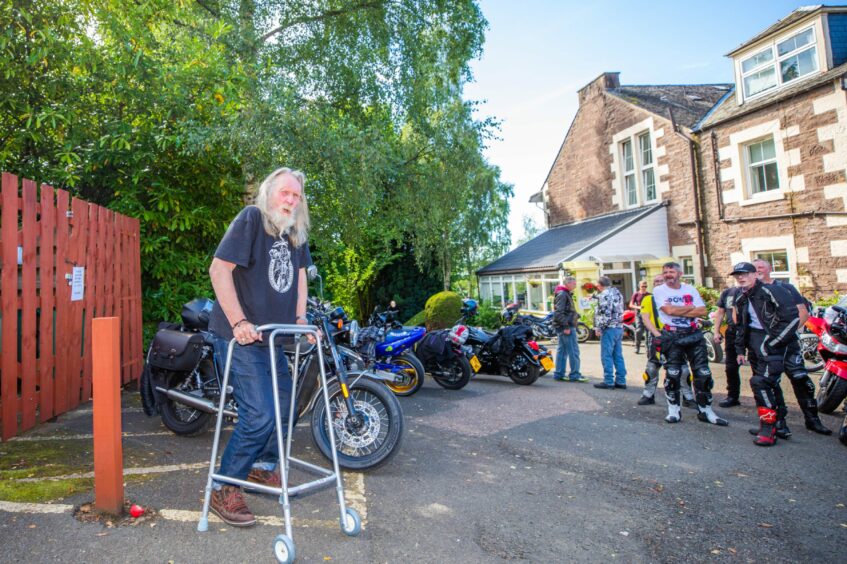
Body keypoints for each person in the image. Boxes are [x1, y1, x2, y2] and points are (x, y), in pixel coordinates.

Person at [206, 167, 313, 526]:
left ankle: (263, 468)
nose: (291, 200)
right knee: (260, 415)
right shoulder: (252, 219)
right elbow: (219, 269)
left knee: (285, 408)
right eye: (285, 193)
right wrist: (239, 322)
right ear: (268, 193)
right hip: (241, 336)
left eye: (296, 196)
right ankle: (223, 487)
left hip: (273, 338)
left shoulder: (295, 234)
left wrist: (300, 320)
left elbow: (300, 279)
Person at [750, 259, 831, 436]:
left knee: (801, 379)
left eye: (761, 267)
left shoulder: (785, 288)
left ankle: (812, 420)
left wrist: (784, 335)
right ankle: (776, 423)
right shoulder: (749, 291)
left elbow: (803, 313)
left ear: (769, 269)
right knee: (768, 384)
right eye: (754, 268)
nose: (757, 270)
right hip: (764, 348)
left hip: (788, 344)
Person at [731, 261, 809, 446]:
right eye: (737, 275)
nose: (741, 277)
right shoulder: (741, 297)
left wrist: (773, 342)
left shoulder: (772, 290)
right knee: (770, 385)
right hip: (755, 345)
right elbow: (741, 326)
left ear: (755, 275)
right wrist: (740, 349)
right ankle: (777, 425)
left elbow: (792, 319)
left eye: (745, 274)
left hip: (774, 344)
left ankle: (768, 429)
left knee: (761, 383)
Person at [651, 262, 727, 426]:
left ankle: (706, 411)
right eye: (665, 272)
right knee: (673, 374)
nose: (668, 274)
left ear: (680, 273)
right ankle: (674, 411)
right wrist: (689, 308)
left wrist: (679, 309)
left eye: (671, 271)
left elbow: (702, 311)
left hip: (693, 334)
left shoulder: (690, 289)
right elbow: (668, 311)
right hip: (671, 334)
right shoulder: (659, 290)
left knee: (703, 373)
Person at [637, 274, 696, 407]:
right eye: (655, 281)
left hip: (676, 335)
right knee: (652, 366)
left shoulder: (676, 297)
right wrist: (657, 334)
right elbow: (645, 319)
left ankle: (688, 397)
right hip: (657, 334)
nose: (658, 283)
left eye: (660, 281)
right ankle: (648, 394)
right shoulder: (648, 299)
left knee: (683, 368)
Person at [593, 276, 627, 389]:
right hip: (618, 327)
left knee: (606, 355)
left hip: (609, 328)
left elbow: (605, 314)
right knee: (618, 355)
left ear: (600, 285)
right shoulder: (617, 293)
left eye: (597, 285)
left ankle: (608, 381)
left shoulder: (604, 295)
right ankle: (621, 381)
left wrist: (599, 328)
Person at [551, 277, 587, 382]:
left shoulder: (564, 293)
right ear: (568, 284)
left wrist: (576, 315)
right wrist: (566, 326)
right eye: (574, 283)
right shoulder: (563, 294)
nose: (575, 286)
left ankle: (559, 374)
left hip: (563, 325)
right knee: (573, 351)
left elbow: (565, 311)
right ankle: (575, 375)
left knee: (562, 351)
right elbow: (558, 312)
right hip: (566, 326)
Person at [713, 284, 743, 408]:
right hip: (732, 332)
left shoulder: (758, 290)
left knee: (757, 366)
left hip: (751, 332)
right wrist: (716, 331)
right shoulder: (728, 292)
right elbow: (720, 312)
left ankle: (762, 399)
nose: (741, 277)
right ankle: (732, 396)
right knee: (731, 366)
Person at [629, 280, 649, 354]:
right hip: (639, 315)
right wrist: (639, 307)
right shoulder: (636, 294)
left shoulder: (649, 295)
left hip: (648, 316)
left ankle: (647, 348)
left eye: (645, 286)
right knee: (639, 331)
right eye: (642, 286)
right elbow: (631, 305)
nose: (644, 288)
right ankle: (637, 347)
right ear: (639, 286)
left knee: (648, 332)